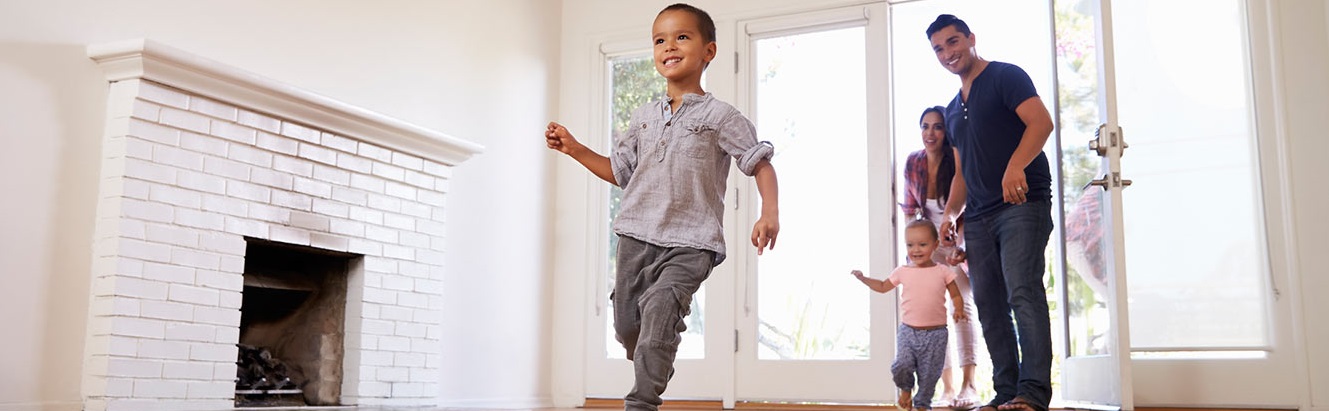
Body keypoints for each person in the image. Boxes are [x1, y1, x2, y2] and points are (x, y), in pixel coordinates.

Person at [544, 4, 780, 411]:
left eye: (682, 37)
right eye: (659, 40)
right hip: (636, 236)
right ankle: (658, 355)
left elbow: (759, 163)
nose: (669, 46)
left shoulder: (720, 116)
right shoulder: (643, 118)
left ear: (709, 51)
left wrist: (769, 213)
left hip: (691, 242)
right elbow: (620, 172)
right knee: (627, 326)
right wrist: (576, 149)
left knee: (658, 309)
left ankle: (642, 402)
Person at [926, 14, 1056, 411]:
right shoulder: (951, 109)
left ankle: (1032, 393)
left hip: (1021, 203)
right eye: (939, 49)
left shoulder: (1005, 77)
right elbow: (964, 171)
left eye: (953, 42)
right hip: (979, 217)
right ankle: (1005, 392)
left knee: (1022, 292)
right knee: (990, 303)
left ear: (970, 38)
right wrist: (950, 214)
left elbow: (1041, 123)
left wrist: (1016, 166)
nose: (948, 53)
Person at [901, 106, 981, 410]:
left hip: (961, 240)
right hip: (929, 244)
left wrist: (957, 248)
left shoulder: (957, 164)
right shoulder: (914, 162)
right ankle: (947, 389)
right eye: (925, 127)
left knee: (962, 307)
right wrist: (911, 255)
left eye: (937, 127)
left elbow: (968, 209)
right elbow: (910, 211)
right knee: (932, 316)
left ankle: (969, 384)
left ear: (947, 133)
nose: (930, 133)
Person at [852, 219, 967, 411]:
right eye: (910, 245)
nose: (916, 250)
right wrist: (863, 278)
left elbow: (955, 293)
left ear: (935, 245)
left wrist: (959, 308)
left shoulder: (942, 271)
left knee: (930, 374)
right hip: (908, 332)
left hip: (936, 334)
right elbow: (882, 287)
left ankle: (922, 404)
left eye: (923, 244)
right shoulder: (902, 271)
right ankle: (905, 388)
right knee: (902, 364)